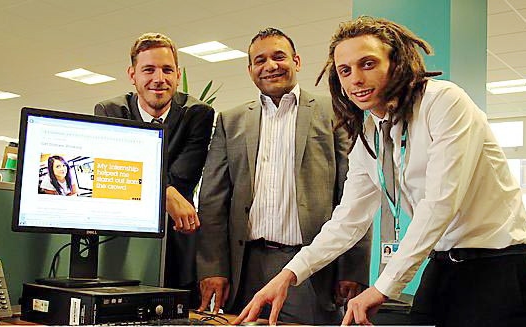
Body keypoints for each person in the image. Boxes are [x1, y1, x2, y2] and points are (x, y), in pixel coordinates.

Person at [234, 16, 526, 327]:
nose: (355, 79)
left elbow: (440, 203)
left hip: (500, 261)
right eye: (345, 70)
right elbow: (348, 219)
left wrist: (382, 288)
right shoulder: (370, 131)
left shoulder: (444, 102)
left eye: (368, 64)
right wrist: (290, 274)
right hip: (444, 261)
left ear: (396, 63)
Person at [196, 27, 371, 325]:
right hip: (245, 266)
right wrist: (213, 267)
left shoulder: (335, 111)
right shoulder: (231, 121)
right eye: (260, 60)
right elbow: (213, 200)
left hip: (310, 267)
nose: (270, 65)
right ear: (250, 69)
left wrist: (353, 269)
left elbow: (354, 196)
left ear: (297, 61)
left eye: (279, 56)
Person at [94, 32, 215, 306]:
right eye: (148, 69)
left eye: (167, 69)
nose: (158, 78)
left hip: (175, 244)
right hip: (120, 244)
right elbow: (115, 177)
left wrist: (164, 189)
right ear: (132, 74)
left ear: (177, 73)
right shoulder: (111, 111)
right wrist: (167, 193)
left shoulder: (197, 114)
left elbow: (183, 178)